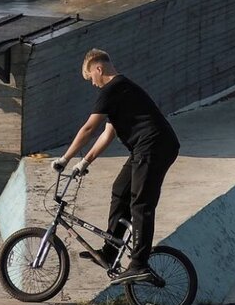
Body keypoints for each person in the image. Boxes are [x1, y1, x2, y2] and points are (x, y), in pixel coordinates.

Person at [52, 49, 180, 284]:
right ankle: (111, 251)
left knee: (140, 202)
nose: (92, 83)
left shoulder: (113, 88)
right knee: (120, 190)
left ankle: (139, 264)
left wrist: (65, 158)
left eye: (91, 77)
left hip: (155, 146)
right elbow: (107, 134)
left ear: (98, 69)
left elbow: (89, 129)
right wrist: (83, 162)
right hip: (145, 149)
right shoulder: (120, 92)